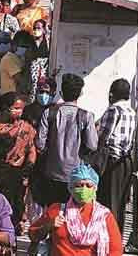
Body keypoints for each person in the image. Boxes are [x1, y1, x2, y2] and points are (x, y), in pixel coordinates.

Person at [28, 164, 123, 256]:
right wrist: (48, 226)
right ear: (71, 188)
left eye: (88, 186)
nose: (83, 189)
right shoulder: (57, 210)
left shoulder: (104, 215)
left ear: (95, 188)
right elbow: (33, 234)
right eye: (79, 185)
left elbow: (115, 249)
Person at [35, 73, 98, 206]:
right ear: (80, 93)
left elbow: (39, 144)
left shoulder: (49, 112)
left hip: (52, 174)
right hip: (76, 175)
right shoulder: (86, 116)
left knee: (53, 213)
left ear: (61, 93)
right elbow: (92, 145)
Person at [0, 92, 37, 231]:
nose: (19, 111)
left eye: (21, 109)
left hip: (15, 176)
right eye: (15, 108)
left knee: (13, 209)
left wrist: (28, 172)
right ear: (4, 108)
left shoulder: (26, 127)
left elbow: (31, 150)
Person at [95, 78, 136, 226]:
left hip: (111, 161)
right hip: (125, 161)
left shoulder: (113, 110)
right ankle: (117, 237)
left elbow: (102, 137)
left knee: (107, 201)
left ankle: (108, 237)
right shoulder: (131, 112)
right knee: (120, 203)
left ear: (112, 94)